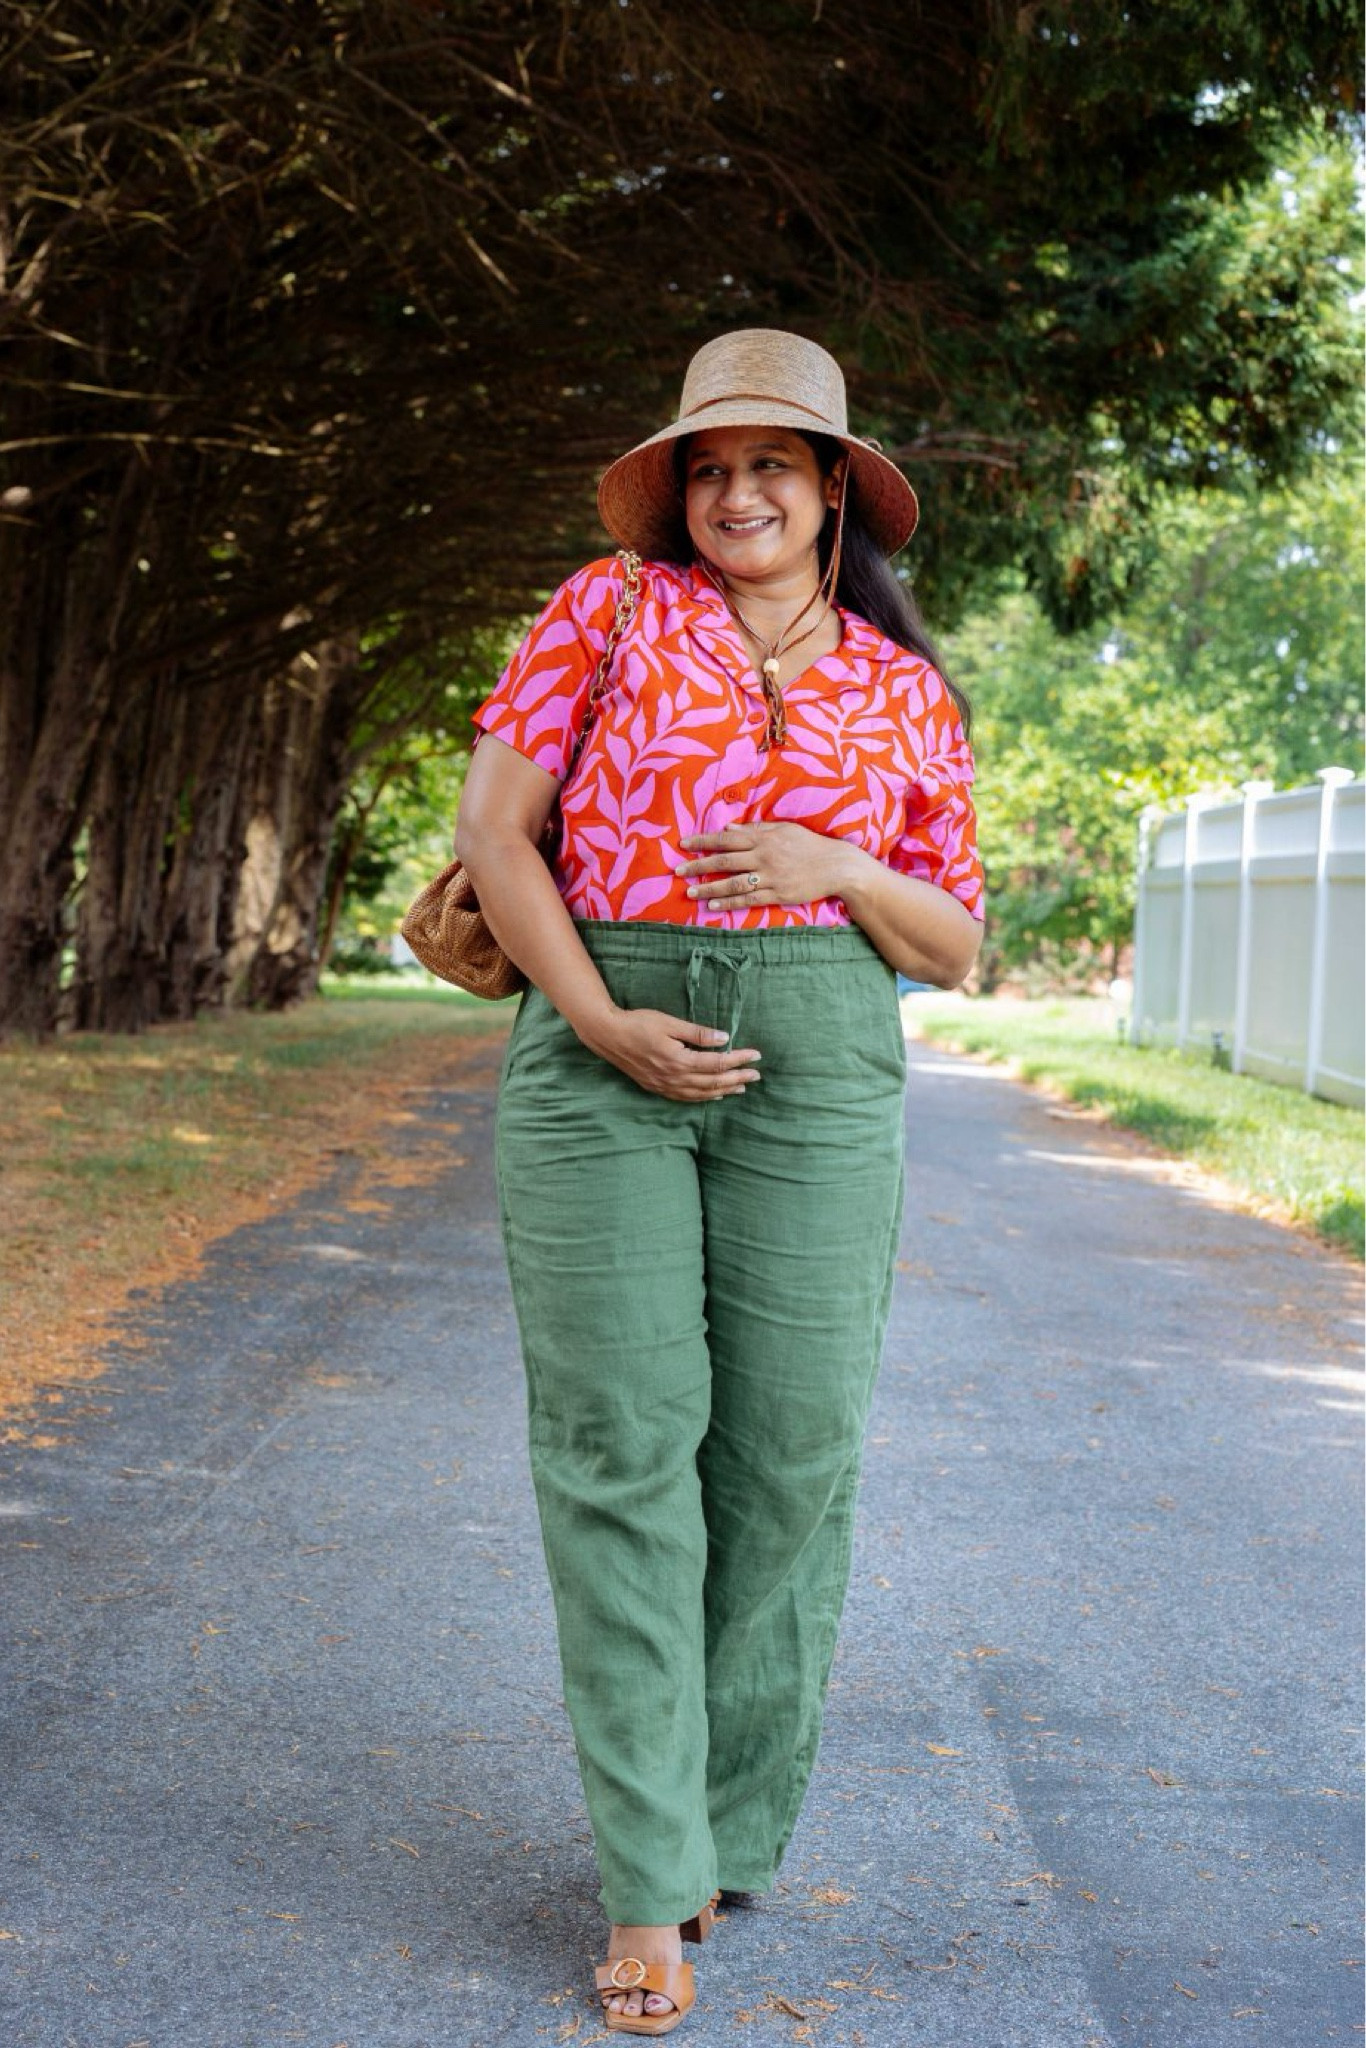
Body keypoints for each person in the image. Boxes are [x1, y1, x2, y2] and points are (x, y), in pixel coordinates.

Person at [454, 328, 984, 2037]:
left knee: (791, 1451)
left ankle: (721, 1826)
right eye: (706, 463)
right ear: (676, 490)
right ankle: (641, 1878)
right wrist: (598, 1018)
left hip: (821, 1059)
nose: (734, 490)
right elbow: (493, 831)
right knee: (621, 1450)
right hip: (603, 1030)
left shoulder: (906, 691)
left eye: (771, 462)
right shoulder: (607, 607)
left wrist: (838, 858)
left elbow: (957, 941)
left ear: (834, 488)